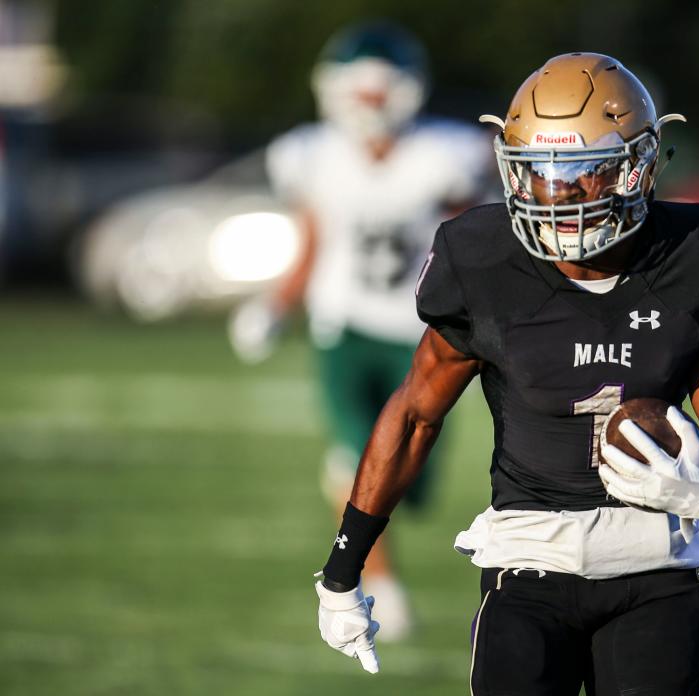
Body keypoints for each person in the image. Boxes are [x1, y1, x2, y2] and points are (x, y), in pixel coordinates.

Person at [313, 52, 699, 695]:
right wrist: (342, 570)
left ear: (639, 164)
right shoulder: (483, 258)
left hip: (656, 566)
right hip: (527, 560)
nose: (558, 194)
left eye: (584, 172)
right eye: (539, 174)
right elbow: (415, 415)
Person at [228, 22, 492, 641]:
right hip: (342, 329)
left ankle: (382, 562)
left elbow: (474, 243)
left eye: (380, 93)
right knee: (357, 458)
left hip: (422, 332)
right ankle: (382, 588)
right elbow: (314, 240)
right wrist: (276, 305)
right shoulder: (312, 154)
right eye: (360, 93)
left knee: (412, 478)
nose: (369, 107)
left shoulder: (445, 153)